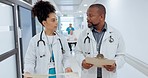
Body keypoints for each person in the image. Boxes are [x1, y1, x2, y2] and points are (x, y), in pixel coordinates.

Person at [23, 1, 72, 78]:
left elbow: (66, 57)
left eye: (56, 19)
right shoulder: (35, 40)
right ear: (44, 23)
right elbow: (30, 60)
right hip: (42, 75)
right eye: (53, 20)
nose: (56, 22)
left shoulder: (61, 39)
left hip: (58, 75)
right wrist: (28, 72)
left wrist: (67, 67)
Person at [75, 4, 125, 78]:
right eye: (87, 15)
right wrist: (82, 62)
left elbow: (121, 55)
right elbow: (78, 52)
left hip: (108, 74)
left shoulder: (116, 34)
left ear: (101, 17)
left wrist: (115, 64)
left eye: (91, 16)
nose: (87, 18)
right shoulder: (83, 34)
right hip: (89, 74)